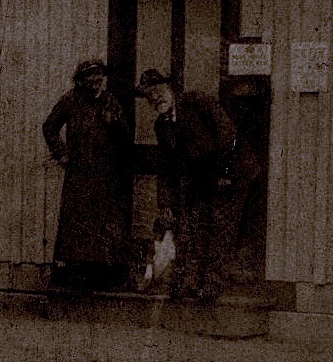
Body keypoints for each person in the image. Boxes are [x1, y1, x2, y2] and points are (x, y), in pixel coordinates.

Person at [136, 68, 238, 305]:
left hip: (231, 171)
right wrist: (166, 203)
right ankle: (191, 283)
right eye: (150, 96)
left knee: (220, 228)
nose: (156, 98)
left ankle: (212, 287)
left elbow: (228, 134)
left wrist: (224, 173)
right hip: (202, 177)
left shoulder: (196, 102)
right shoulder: (161, 126)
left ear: (169, 89)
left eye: (159, 91)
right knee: (193, 227)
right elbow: (167, 168)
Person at [42, 60, 131, 291]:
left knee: (103, 225)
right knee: (77, 225)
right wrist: (61, 153)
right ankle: (75, 275)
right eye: (90, 76)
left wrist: (115, 123)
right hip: (79, 174)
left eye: (99, 75)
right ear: (81, 80)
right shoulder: (70, 100)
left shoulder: (110, 101)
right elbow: (49, 126)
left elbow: (126, 136)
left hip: (105, 174)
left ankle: (102, 276)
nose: (95, 80)